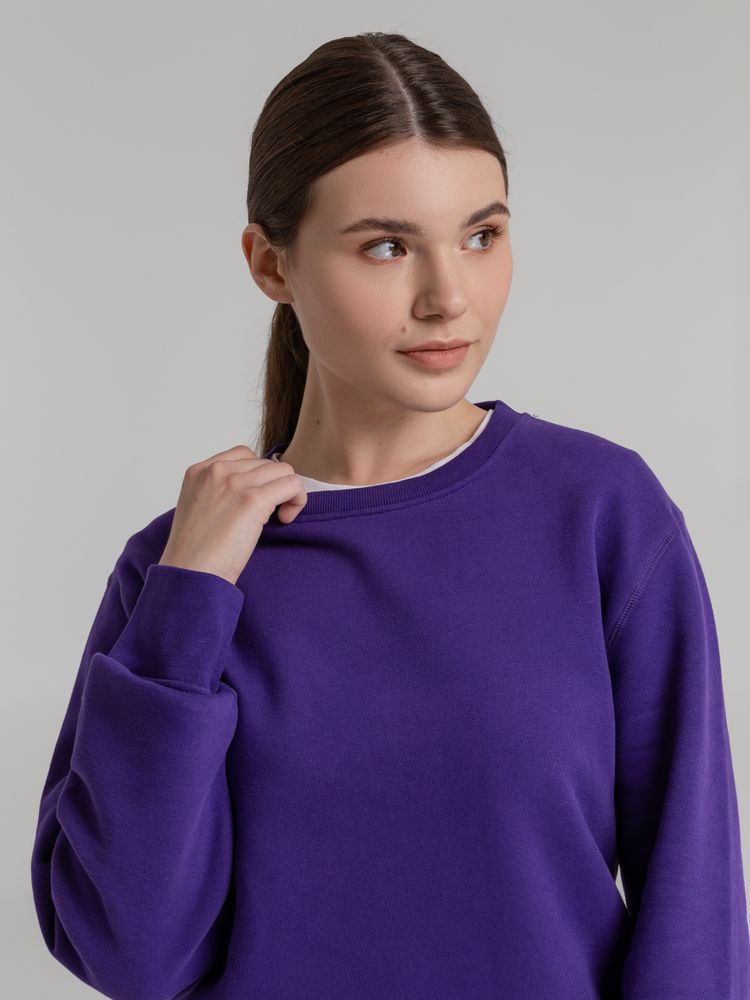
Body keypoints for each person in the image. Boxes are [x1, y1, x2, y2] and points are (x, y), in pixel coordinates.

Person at [30, 30, 749, 1000]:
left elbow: (693, 912)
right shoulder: (180, 570)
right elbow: (128, 953)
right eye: (386, 246)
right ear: (270, 264)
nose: (449, 297)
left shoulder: (601, 514)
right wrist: (186, 602)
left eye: (481, 235)